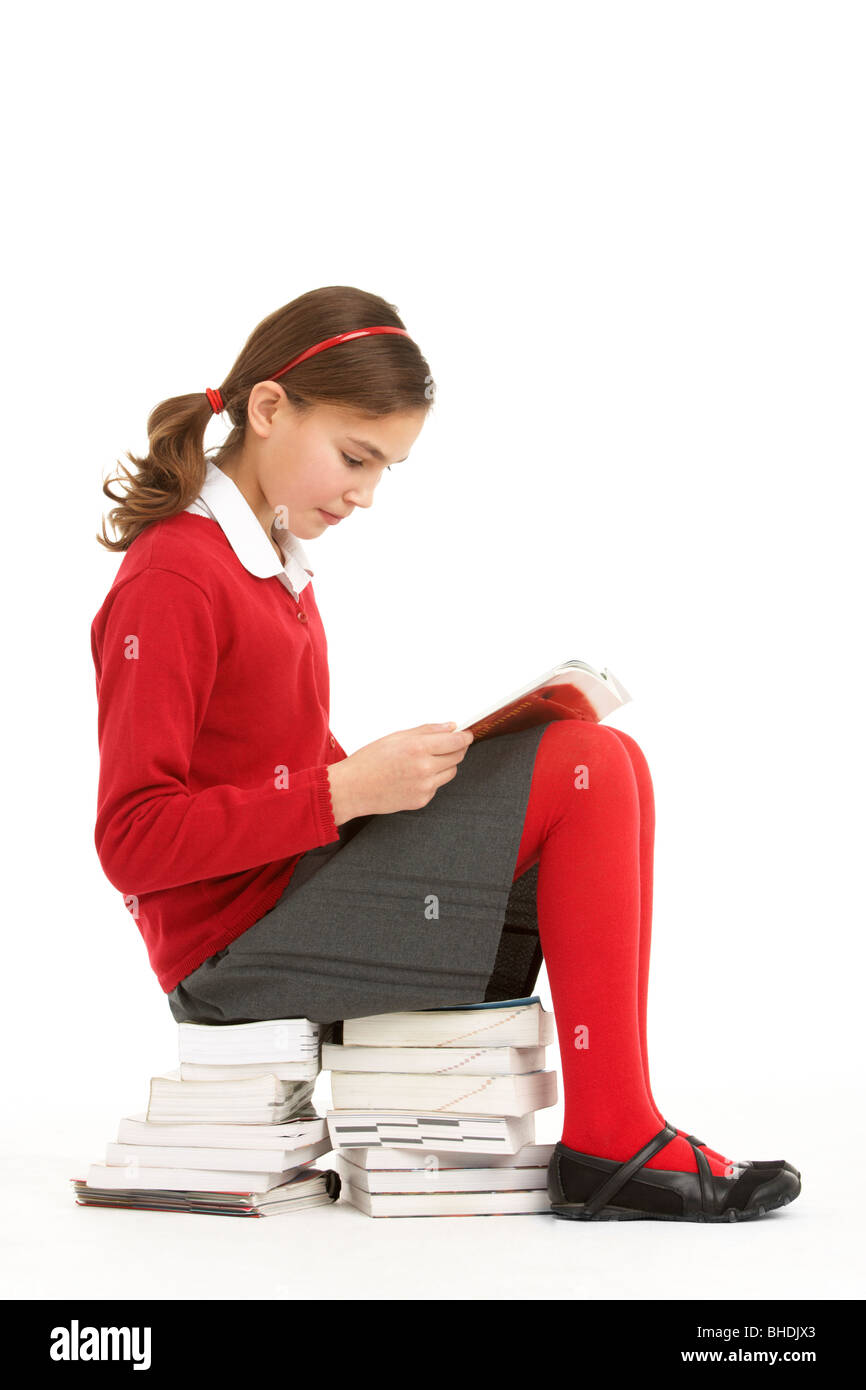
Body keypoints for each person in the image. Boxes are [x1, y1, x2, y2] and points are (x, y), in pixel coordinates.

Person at [90, 284, 801, 1222]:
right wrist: (345, 790)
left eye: (386, 469)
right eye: (355, 456)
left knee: (597, 754)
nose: (365, 493)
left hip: (294, 892)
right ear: (268, 409)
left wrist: (394, 783)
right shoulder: (176, 574)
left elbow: (279, 768)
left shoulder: (269, 566)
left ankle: (623, 1122)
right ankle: (614, 1137)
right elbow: (131, 841)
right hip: (234, 957)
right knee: (579, 771)